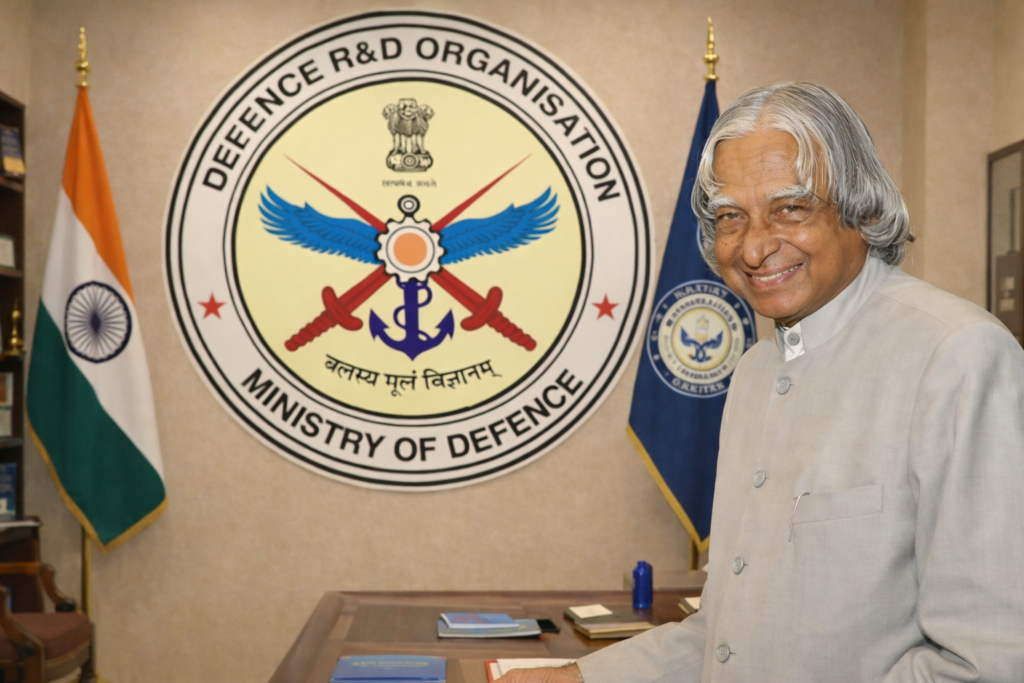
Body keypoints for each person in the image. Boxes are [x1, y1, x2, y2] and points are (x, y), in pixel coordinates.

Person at [497, 82, 1024, 682]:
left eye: (790, 208)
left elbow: (990, 662)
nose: (754, 247)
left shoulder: (958, 357)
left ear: (863, 208)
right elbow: (726, 635)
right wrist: (578, 679)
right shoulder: (754, 371)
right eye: (730, 217)